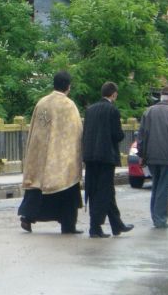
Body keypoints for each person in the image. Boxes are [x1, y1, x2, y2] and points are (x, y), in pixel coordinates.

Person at [18, 71, 83, 234]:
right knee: (66, 186)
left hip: (40, 154)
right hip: (61, 158)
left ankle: (27, 216)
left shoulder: (42, 103)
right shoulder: (69, 105)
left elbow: (34, 131)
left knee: (37, 185)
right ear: (68, 86)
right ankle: (68, 225)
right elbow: (77, 131)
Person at [83, 82, 134, 238]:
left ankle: (116, 225)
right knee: (104, 191)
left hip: (90, 157)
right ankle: (95, 227)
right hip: (106, 157)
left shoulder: (90, 110)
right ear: (114, 94)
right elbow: (117, 135)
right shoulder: (112, 110)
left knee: (96, 190)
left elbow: (85, 132)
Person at [137, 85, 168, 228]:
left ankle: (156, 216)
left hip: (151, 157)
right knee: (164, 188)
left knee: (156, 186)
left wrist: (141, 154)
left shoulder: (149, 112)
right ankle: (160, 219)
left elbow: (141, 136)